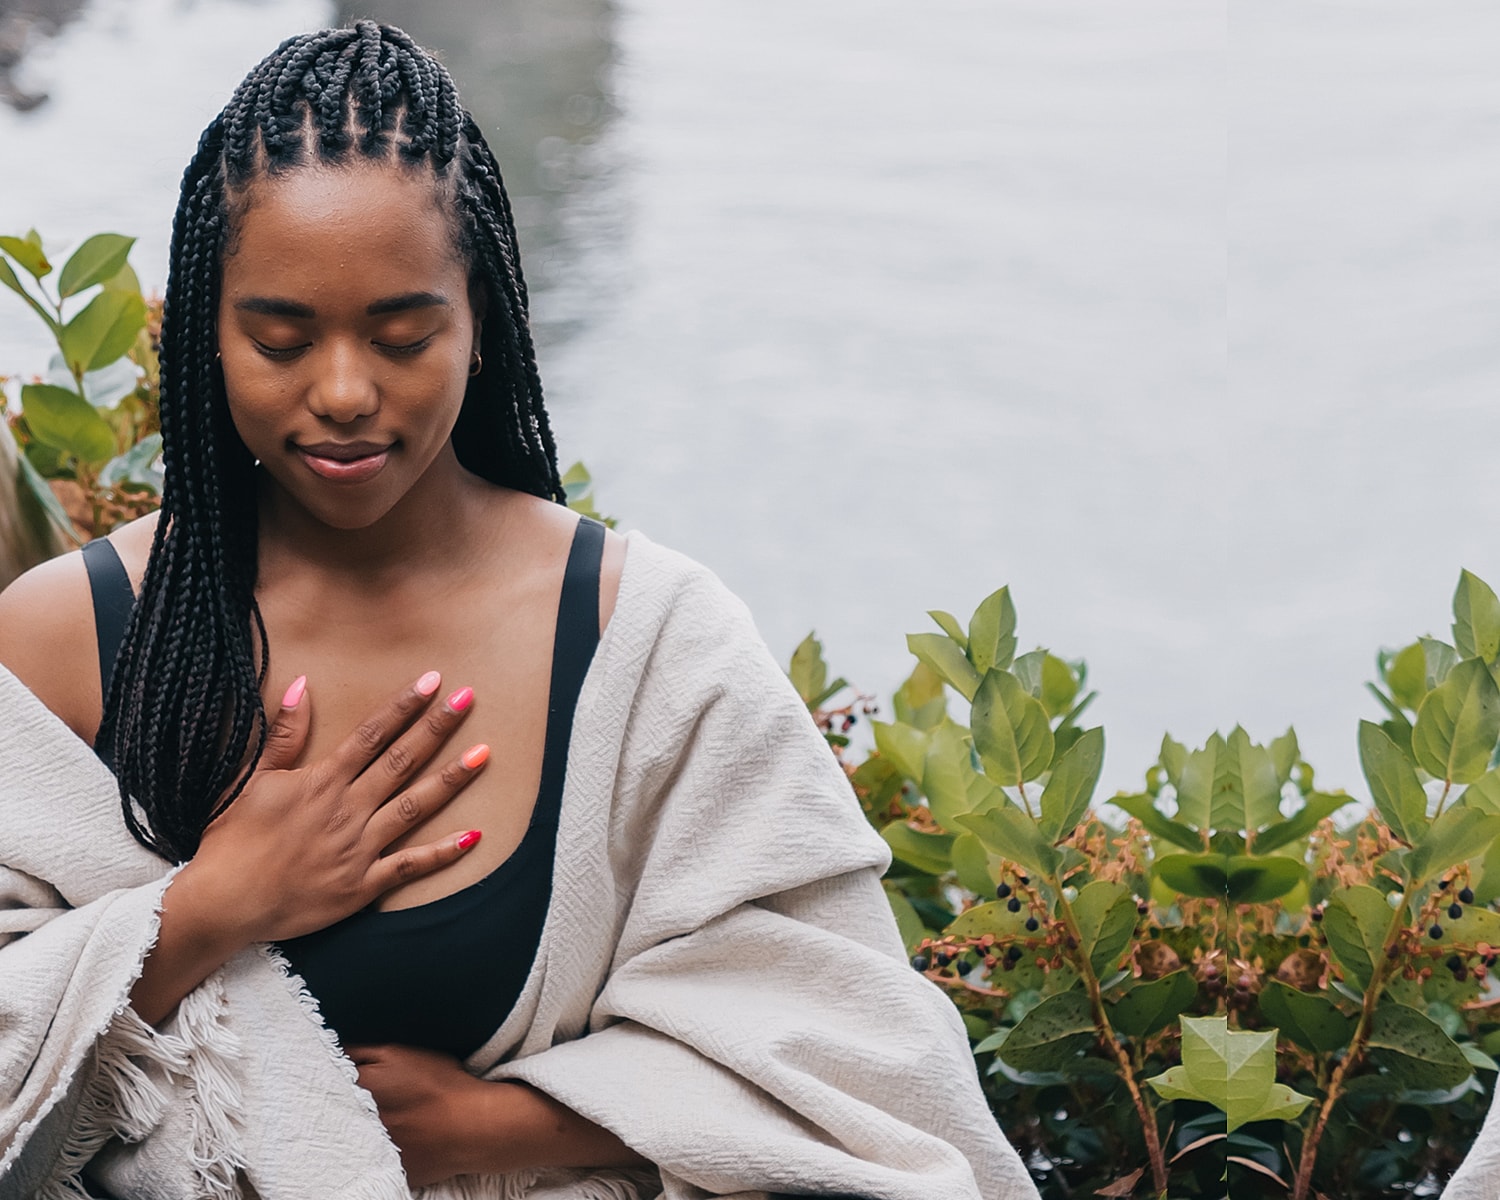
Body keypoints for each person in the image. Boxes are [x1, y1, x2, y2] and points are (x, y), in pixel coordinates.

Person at [0, 21, 1037, 1200]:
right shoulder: (65, 640)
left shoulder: (647, 645)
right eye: (280, 339)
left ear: (482, 317)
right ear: (205, 331)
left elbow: (870, 1092)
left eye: (404, 335)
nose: (343, 393)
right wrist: (208, 910)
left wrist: (515, 1125)